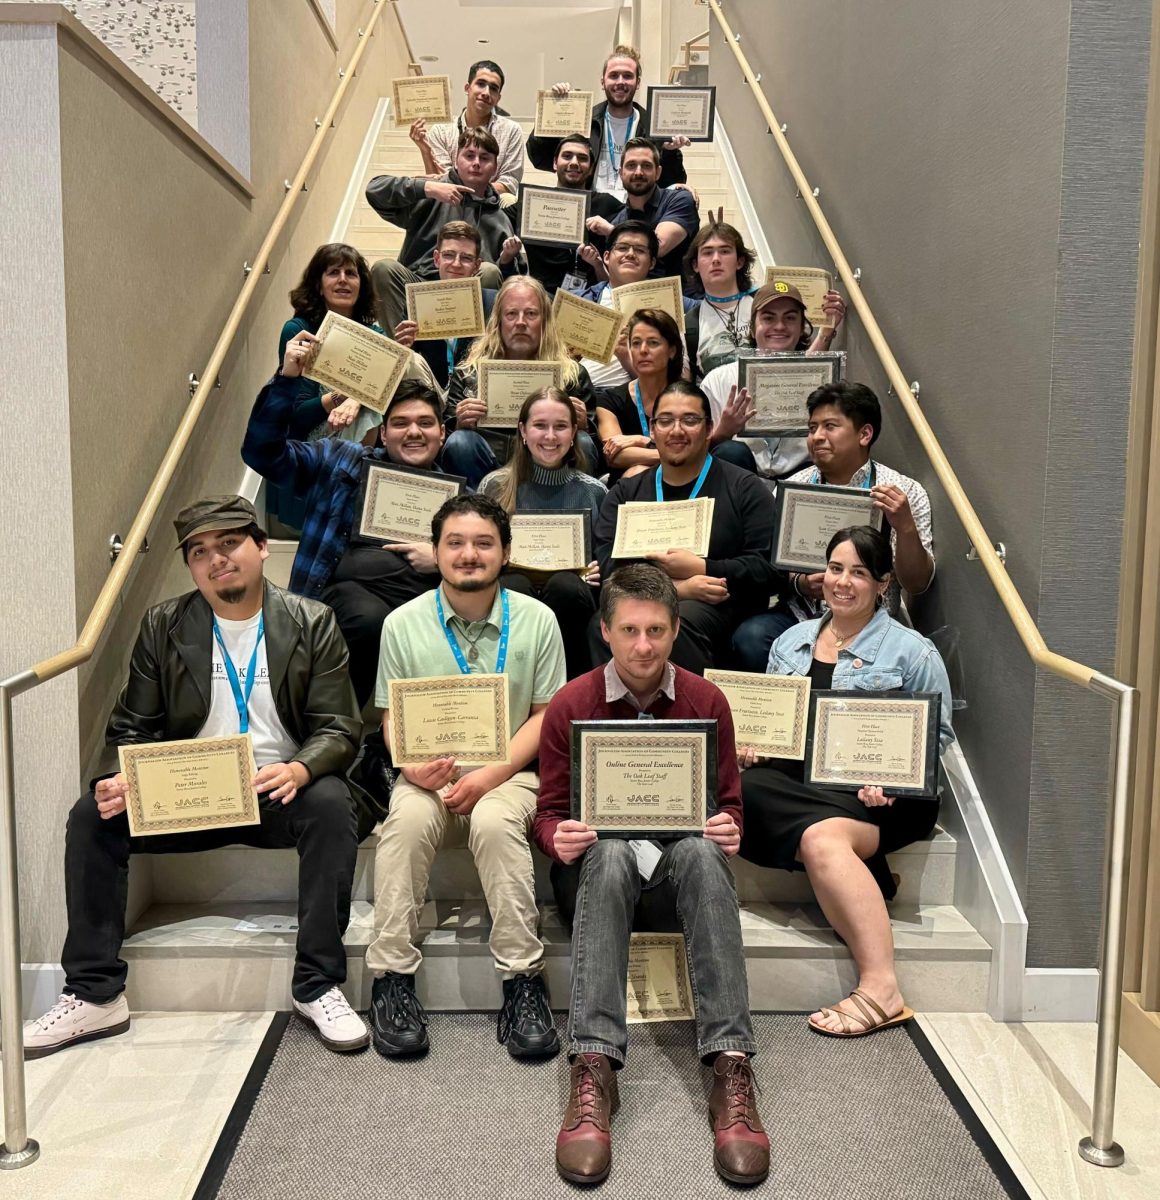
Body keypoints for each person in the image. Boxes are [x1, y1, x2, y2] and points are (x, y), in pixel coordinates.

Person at [23, 497, 369, 1059]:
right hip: (191, 792)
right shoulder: (164, 624)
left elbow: (339, 725)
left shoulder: (311, 620)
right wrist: (123, 777)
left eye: (229, 543)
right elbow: (132, 725)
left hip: (272, 788)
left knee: (330, 803)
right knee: (93, 815)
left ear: (260, 546)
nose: (216, 559)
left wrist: (301, 767)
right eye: (200, 551)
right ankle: (94, 994)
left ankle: (318, 984)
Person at [533, 564, 768, 1186]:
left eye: (657, 630)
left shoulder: (706, 701)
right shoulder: (571, 704)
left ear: (675, 630)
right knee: (607, 853)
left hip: (673, 881)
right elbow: (549, 812)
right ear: (605, 630)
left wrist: (726, 827)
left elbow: (729, 803)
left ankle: (730, 1065)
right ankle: (594, 1066)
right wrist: (557, 837)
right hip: (596, 881)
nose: (644, 646)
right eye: (630, 630)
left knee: (700, 851)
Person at [366, 494, 567, 1060]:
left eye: (484, 543)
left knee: (497, 823)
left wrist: (489, 777)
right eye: (455, 542)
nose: (469, 554)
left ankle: (523, 981)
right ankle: (391, 981)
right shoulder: (402, 625)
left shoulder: (538, 620)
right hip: (429, 776)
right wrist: (409, 765)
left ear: (505, 553)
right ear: (436, 551)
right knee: (403, 823)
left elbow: (546, 715)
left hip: (510, 778)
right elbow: (390, 716)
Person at [739, 526, 954, 1037]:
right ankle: (868, 874)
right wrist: (755, 746)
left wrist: (895, 780)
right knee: (740, 790)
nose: (843, 582)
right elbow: (777, 725)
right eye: (836, 568)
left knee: (821, 838)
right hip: (806, 782)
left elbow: (937, 734)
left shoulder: (913, 652)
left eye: (859, 572)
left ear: (882, 584)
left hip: (885, 798)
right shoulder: (790, 642)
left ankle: (882, 987)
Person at [241, 333, 447, 709]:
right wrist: (288, 379)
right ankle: (331, 730)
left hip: (414, 610)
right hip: (340, 601)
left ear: (442, 433)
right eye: (400, 423)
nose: (414, 432)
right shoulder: (341, 459)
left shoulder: (455, 502)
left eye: (425, 423)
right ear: (383, 433)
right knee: (369, 617)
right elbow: (262, 453)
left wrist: (443, 559)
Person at [731, 380, 935, 673]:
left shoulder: (902, 491)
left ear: (865, 434)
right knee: (751, 637)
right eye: (812, 428)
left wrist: (904, 528)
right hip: (800, 616)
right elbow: (764, 563)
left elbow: (918, 584)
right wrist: (798, 583)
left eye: (830, 426)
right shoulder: (792, 489)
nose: (817, 437)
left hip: (873, 620)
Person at [591, 381, 779, 674]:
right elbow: (610, 567)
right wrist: (678, 588)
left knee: (679, 622)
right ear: (652, 430)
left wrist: (705, 568)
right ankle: (622, 717)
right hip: (644, 602)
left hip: (723, 605)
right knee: (600, 624)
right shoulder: (626, 493)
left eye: (690, 420)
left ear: (708, 429)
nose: (676, 430)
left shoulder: (744, 487)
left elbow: (768, 569)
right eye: (665, 421)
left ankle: (691, 717)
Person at [480, 387, 606, 677]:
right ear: (523, 430)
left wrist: (596, 570)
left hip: (571, 601)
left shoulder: (594, 492)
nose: (550, 437)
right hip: (512, 595)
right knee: (515, 586)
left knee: (566, 586)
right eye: (540, 426)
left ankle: (571, 690)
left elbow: (605, 560)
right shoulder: (494, 487)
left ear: (574, 432)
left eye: (560, 427)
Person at [268, 244, 387, 532]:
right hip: (306, 442)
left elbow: (384, 394)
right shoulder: (299, 331)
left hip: (353, 445)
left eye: (351, 273)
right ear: (319, 286)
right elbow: (295, 416)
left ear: (362, 285)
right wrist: (344, 396)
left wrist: (358, 400)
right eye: (333, 272)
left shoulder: (375, 334)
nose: (343, 279)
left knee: (378, 398)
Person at [443, 276, 599, 487]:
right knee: (460, 442)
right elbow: (444, 438)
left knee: (583, 442)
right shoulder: (469, 372)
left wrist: (582, 424)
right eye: (511, 314)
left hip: (550, 461)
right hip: (487, 458)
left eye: (531, 314)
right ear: (498, 322)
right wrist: (460, 422)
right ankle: (477, 512)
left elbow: (594, 445)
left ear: (545, 321)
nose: (521, 322)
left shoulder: (573, 375)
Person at [366, 128, 520, 331]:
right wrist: (427, 188)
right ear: (456, 160)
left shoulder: (500, 218)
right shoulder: (431, 192)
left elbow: (514, 283)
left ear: (495, 167)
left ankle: (471, 354)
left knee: (489, 271)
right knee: (383, 268)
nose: (476, 163)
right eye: (469, 155)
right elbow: (374, 189)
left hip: (467, 297)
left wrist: (507, 261)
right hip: (419, 287)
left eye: (484, 158)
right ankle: (404, 351)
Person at [701, 277, 848, 478]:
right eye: (768, 318)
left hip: (800, 476)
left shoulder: (821, 379)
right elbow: (695, 451)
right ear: (753, 327)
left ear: (801, 327)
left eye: (789, 318)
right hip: (741, 480)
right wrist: (724, 431)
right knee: (730, 451)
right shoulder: (718, 380)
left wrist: (827, 328)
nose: (779, 326)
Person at [526, 45, 688, 201]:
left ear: (637, 83)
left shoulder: (654, 126)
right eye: (613, 75)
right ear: (603, 82)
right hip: (590, 206)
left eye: (627, 76)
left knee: (685, 198)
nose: (620, 81)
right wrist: (552, 112)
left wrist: (670, 153)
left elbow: (671, 183)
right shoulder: (584, 120)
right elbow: (540, 159)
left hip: (635, 211)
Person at [571, 221, 693, 396]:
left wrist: (627, 359)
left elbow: (681, 383)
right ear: (606, 257)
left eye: (640, 250)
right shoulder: (581, 300)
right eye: (622, 248)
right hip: (579, 395)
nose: (630, 254)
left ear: (651, 263)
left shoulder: (665, 305)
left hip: (636, 401)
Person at [392, 221, 498, 393]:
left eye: (466, 258)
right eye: (449, 255)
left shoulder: (493, 303)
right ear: (436, 258)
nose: (456, 264)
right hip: (430, 390)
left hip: (474, 391)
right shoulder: (418, 301)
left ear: (477, 265)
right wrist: (405, 345)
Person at [516, 134, 622, 295]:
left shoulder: (607, 204)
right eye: (567, 156)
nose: (574, 163)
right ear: (554, 163)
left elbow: (638, 237)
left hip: (592, 299)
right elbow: (491, 215)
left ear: (591, 168)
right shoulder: (534, 200)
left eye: (582, 158)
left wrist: (611, 230)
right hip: (541, 298)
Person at [585, 138, 699, 279]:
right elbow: (617, 278)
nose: (638, 172)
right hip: (635, 297)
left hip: (679, 297)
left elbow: (658, 247)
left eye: (646, 166)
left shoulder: (679, 200)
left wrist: (611, 231)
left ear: (658, 173)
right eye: (631, 165)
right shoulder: (619, 219)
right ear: (621, 173)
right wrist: (597, 264)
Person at [410, 60, 524, 197]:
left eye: (493, 88)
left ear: (498, 98)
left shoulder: (512, 130)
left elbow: (509, 182)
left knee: (508, 199)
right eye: (481, 84)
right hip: (450, 204)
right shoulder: (441, 132)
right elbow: (441, 182)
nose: (486, 92)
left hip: (493, 205)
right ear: (467, 88)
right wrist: (426, 152)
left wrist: (471, 191)